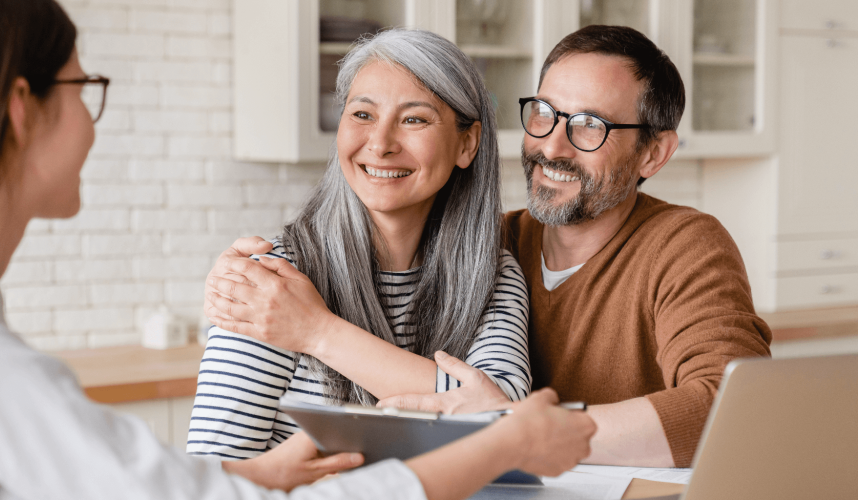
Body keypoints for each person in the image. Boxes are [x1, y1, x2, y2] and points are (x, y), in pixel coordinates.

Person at [0, 1, 596, 499]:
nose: (92, 121)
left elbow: (184, 486)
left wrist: (261, 473)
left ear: (468, 141)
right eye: (85, 87)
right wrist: (505, 441)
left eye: (414, 118)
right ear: (22, 112)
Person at [205, 25, 772, 469]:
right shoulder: (497, 245)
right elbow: (210, 470)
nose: (554, 146)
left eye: (590, 125)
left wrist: (515, 426)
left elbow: (733, 410)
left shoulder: (496, 264)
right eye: (545, 115)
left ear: (653, 154)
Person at [189, 29, 531, 459]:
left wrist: (317, 332)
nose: (381, 144)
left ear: (467, 143)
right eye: (363, 115)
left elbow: (504, 417)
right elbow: (211, 475)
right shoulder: (274, 283)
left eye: (414, 119)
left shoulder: (492, 273)